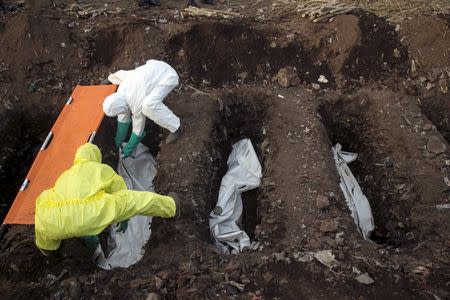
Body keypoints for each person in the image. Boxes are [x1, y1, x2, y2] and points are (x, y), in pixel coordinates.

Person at [34, 143, 180, 255]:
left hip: (52, 220)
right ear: (96, 157)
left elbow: (46, 198)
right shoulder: (100, 169)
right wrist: (123, 217)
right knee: (137, 200)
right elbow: (121, 192)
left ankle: (49, 250)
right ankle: (172, 206)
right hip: (92, 212)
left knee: (43, 222)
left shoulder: (65, 175)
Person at [103, 60, 182, 158]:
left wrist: (130, 147)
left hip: (167, 77)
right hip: (156, 67)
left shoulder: (136, 103)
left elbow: (138, 128)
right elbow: (121, 74)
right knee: (139, 104)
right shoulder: (121, 91)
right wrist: (119, 140)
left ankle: (176, 127)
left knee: (148, 106)